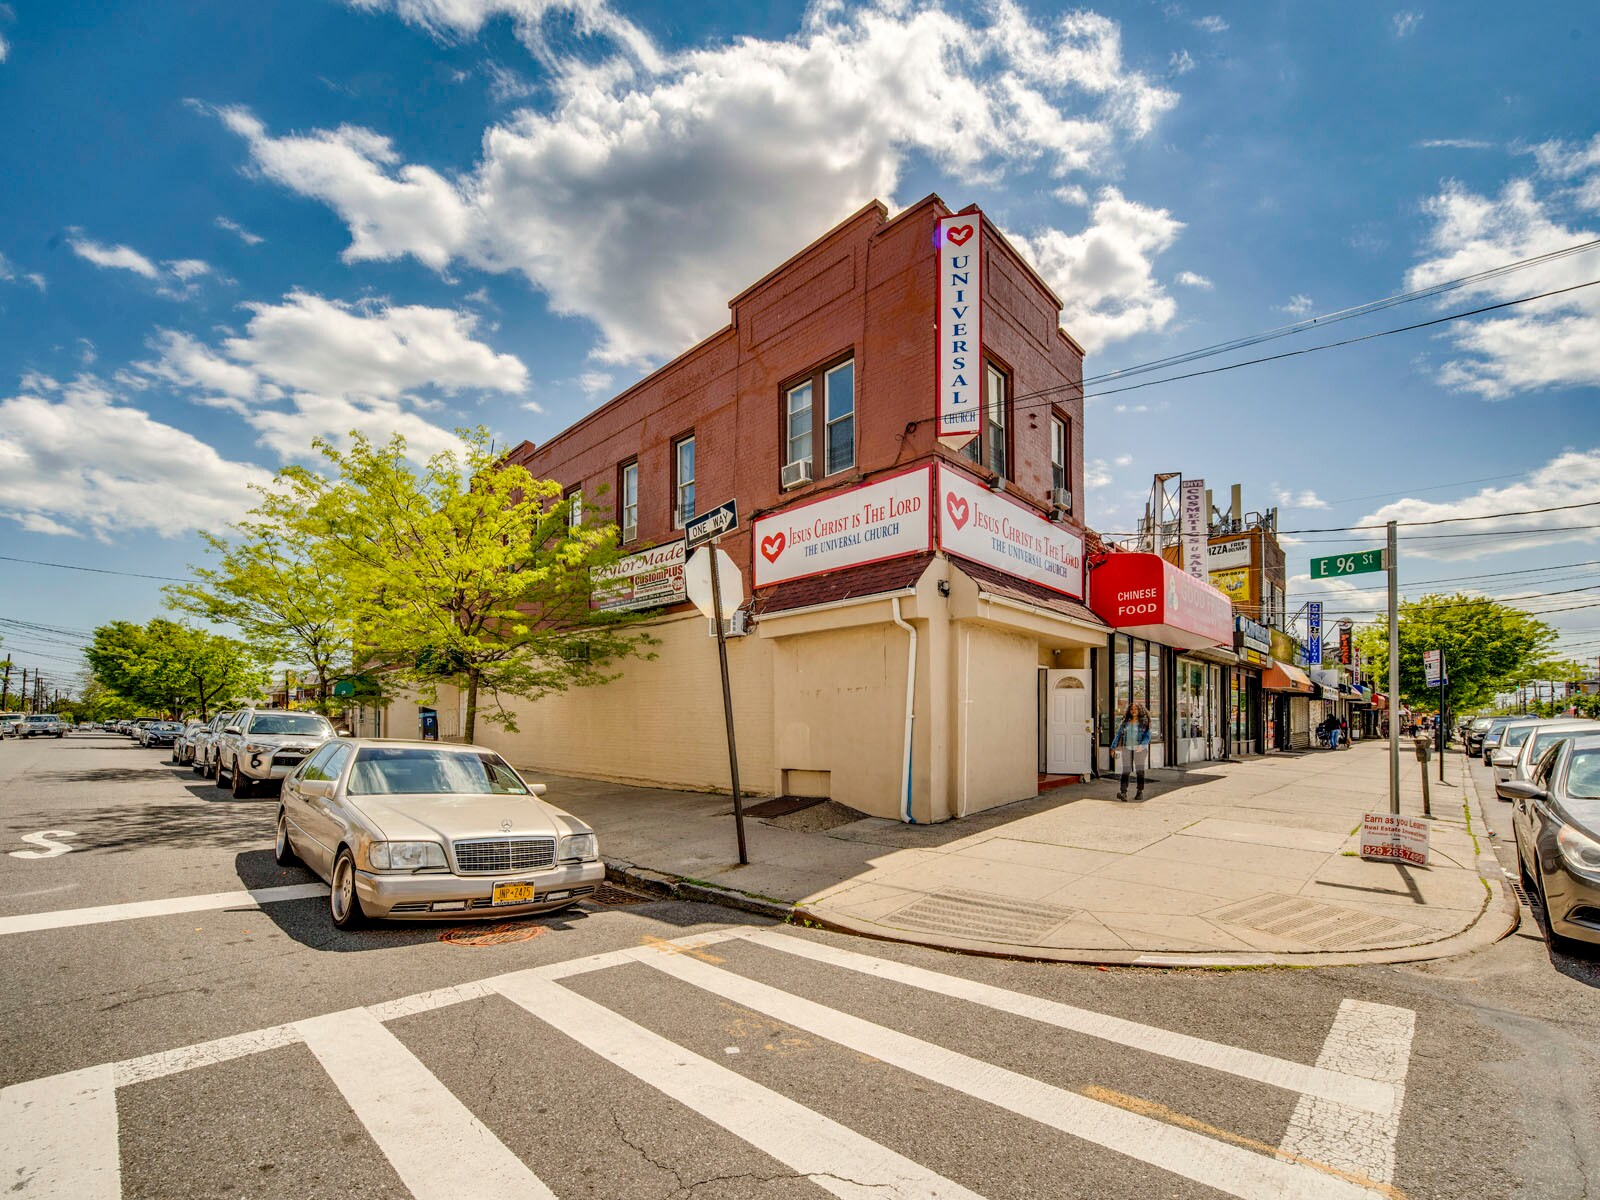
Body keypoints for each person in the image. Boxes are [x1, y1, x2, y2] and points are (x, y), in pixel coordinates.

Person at [1110, 701, 1152, 801]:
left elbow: (1147, 737)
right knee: (1126, 771)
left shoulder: (1144, 722)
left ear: (1140, 710)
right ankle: (1123, 793)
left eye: (1136, 709)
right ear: (1129, 711)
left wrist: (1142, 746)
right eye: (1132, 709)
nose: (1134, 711)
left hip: (1140, 751)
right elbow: (1118, 735)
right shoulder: (1125, 723)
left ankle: (1140, 792)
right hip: (1127, 749)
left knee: (1139, 772)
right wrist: (1113, 747)